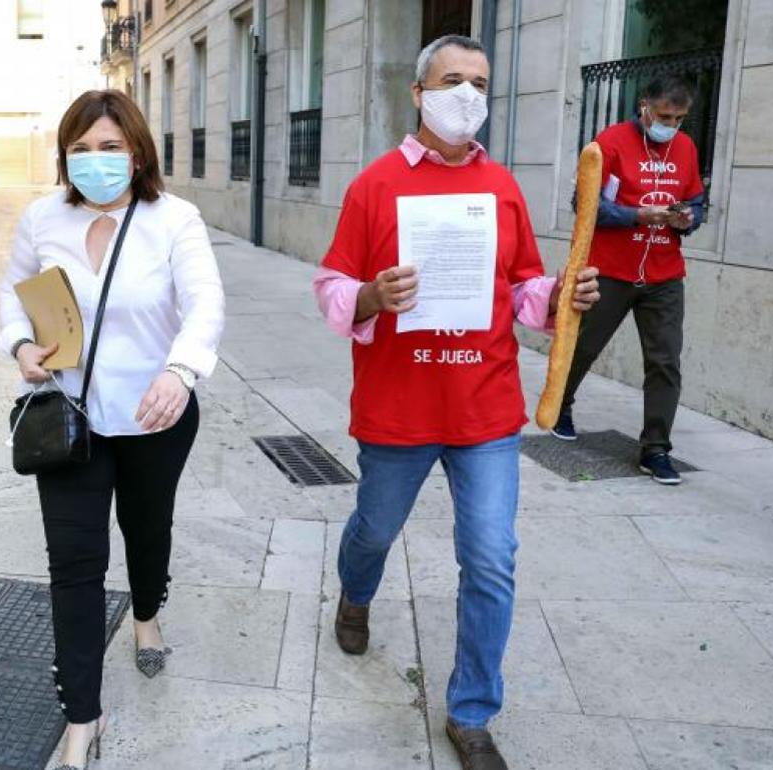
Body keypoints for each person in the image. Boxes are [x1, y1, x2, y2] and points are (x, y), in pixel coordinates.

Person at [313, 36, 599, 770]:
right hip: (398, 410)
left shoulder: (501, 187)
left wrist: (561, 297)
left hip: (485, 411)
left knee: (492, 559)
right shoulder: (374, 185)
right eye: (452, 80)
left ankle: (471, 714)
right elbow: (331, 288)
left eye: (478, 83)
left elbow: (523, 288)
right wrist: (372, 296)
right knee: (373, 532)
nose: (467, 94)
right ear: (418, 93)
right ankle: (355, 593)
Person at [0, 90, 224, 770]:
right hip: (69, 417)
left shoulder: (174, 219)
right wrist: (18, 345)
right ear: (66, 156)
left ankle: (147, 614)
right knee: (74, 566)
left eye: (110, 147)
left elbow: (206, 299)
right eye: (82, 148)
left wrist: (179, 373)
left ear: (137, 152)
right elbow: (12, 291)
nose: (95, 160)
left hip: (156, 415)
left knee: (147, 532)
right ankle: (81, 718)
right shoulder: (43, 218)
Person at [550, 75, 705, 485]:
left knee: (666, 361)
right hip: (610, 270)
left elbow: (696, 200)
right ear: (644, 106)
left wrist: (688, 217)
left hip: (665, 273)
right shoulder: (610, 142)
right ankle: (561, 404)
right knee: (585, 346)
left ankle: (656, 448)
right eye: (664, 116)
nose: (670, 125)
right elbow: (584, 205)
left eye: (679, 118)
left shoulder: (685, 148)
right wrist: (638, 215)